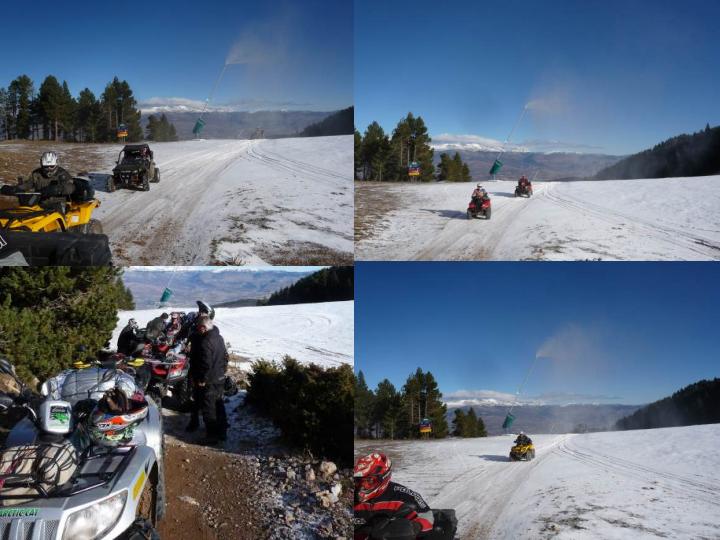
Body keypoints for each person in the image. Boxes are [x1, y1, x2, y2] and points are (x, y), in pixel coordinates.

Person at [354, 452, 436, 538]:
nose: (362, 486)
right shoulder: (351, 494)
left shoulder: (403, 495)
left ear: (384, 477)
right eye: (358, 480)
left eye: (370, 480)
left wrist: (414, 527)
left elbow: (427, 514)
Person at [187, 314, 228, 444]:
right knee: (219, 404)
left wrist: (202, 379)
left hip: (209, 380)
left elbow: (206, 363)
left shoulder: (205, 341)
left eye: (199, 327)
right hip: (219, 377)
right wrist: (222, 371)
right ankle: (222, 432)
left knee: (209, 408)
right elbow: (225, 357)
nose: (198, 329)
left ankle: (212, 436)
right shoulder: (219, 338)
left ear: (203, 327)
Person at [0, 152, 75, 206]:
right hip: (40, 204)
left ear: (56, 164)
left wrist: (57, 189)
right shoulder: (37, 174)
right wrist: (15, 189)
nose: (49, 169)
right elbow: (27, 184)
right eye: (46, 167)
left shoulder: (62, 173)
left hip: (59, 205)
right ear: (42, 165)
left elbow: (71, 187)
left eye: (51, 166)